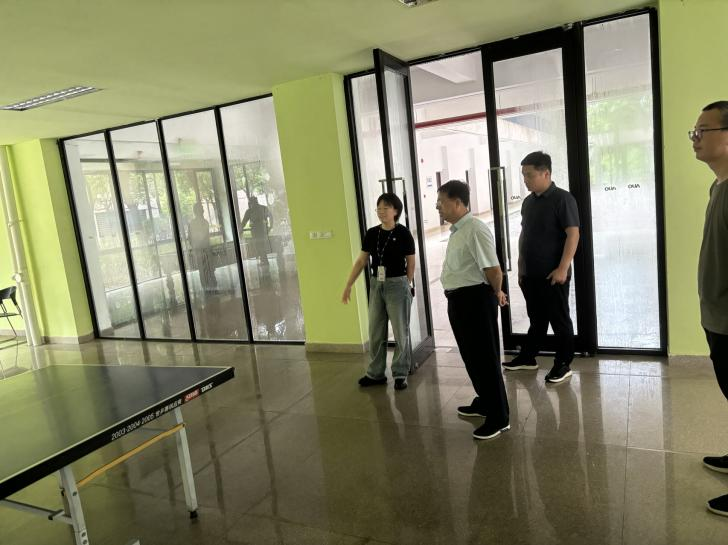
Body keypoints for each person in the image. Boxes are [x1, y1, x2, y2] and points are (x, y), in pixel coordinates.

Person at [436, 180, 509, 440]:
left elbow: (493, 269)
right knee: (471, 357)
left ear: (458, 202)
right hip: (460, 301)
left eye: (441, 202)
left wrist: (496, 292)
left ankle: (499, 417)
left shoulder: (475, 229)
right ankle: (485, 402)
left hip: (475, 300)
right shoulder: (459, 230)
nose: (437, 207)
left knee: (485, 358)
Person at [503, 151, 580, 384]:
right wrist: (520, 266)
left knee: (559, 320)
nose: (525, 180)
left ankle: (563, 363)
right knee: (536, 319)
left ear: (546, 173)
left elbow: (573, 234)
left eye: (529, 175)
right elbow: (525, 234)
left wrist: (563, 268)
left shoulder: (563, 199)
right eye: (523, 175)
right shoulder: (528, 202)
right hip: (531, 274)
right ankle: (528, 357)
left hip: (553, 274)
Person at [690, 101, 728, 517]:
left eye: (703, 130)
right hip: (717, 317)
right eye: (694, 131)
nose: (695, 138)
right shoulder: (718, 186)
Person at [342, 193, 415, 391]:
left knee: (400, 331)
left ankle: (400, 373)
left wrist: (406, 284)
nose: (381, 212)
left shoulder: (404, 233)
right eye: (379, 208)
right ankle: (375, 374)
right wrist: (348, 285)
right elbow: (361, 261)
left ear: (396, 211)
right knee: (375, 331)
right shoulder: (372, 233)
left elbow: (411, 262)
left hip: (397, 284)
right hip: (376, 285)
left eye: (386, 208)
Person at [188, 201, 217, 292]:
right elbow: (205, 237)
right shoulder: (204, 222)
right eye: (202, 209)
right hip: (203, 249)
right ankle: (211, 287)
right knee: (208, 269)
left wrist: (195, 247)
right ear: (198, 211)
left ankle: (207, 288)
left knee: (203, 270)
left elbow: (190, 238)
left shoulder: (193, 223)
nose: (203, 211)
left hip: (200, 250)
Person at [241, 196, 273, 265]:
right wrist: (270, 227)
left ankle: (264, 261)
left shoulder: (250, 211)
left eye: (250, 202)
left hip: (257, 231)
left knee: (259, 246)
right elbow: (271, 216)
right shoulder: (263, 208)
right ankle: (264, 260)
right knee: (261, 246)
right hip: (262, 231)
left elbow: (244, 222)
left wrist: (240, 229)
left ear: (251, 202)